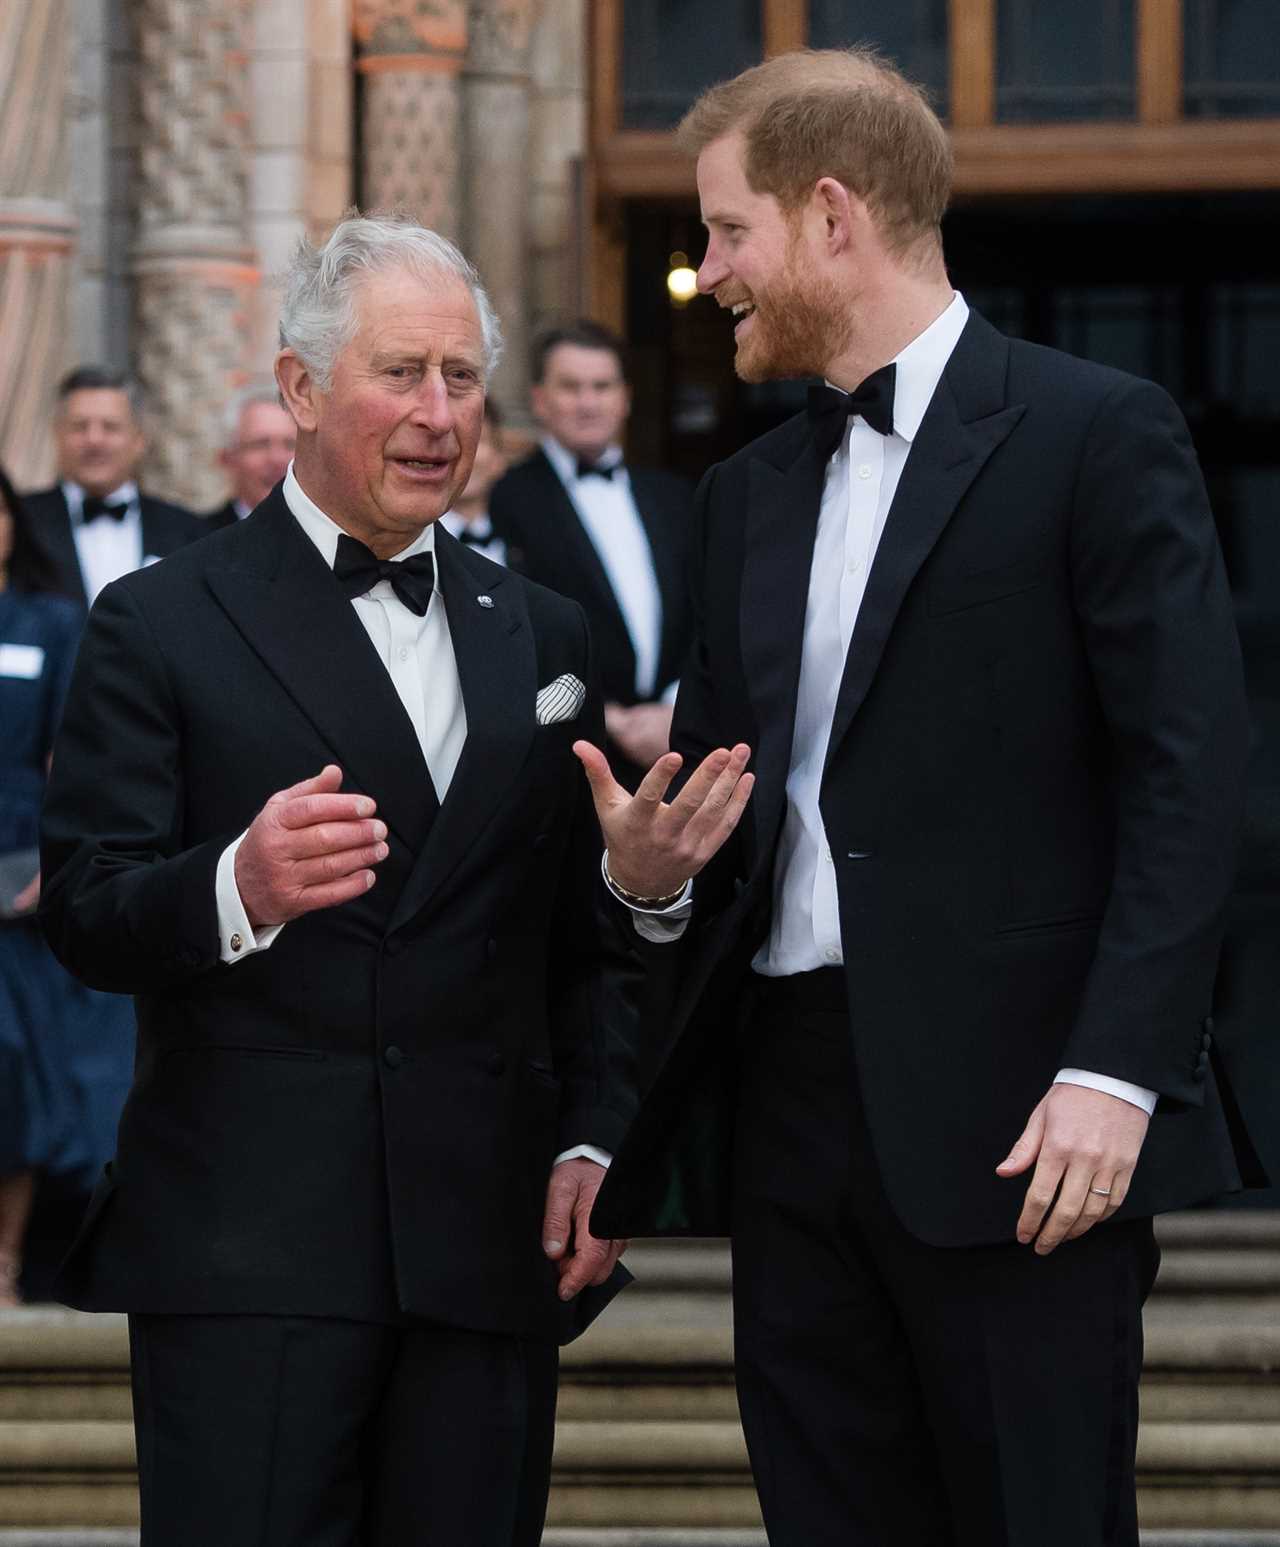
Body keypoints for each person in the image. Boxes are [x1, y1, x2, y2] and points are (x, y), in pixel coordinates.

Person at [581, 48, 1259, 1547]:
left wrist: (1118, 1067)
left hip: (1028, 1121)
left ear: (831, 217)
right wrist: (653, 873)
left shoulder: (1097, 430)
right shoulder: (743, 494)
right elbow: (733, 813)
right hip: (789, 1111)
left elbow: (1190, 775)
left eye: (727, 231)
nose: (707, 271)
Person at [38, 214, 636, 1546]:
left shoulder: (543, 629)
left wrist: (599, 1140)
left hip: (484, 1248)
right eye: (401, 373)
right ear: (301, 390)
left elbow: (578, 945)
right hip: (251, 1256)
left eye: (463, 378)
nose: (438, 415)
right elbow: (85, 903)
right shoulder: (159, 619)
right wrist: (235, 884)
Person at [491, 321, 693, 788]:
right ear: (540, 399)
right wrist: (610, 719)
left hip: (673, 749)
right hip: (562, 758)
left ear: (625, 398)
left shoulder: (673, 497)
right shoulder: (506, 499)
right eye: (571, 387)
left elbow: (706, 613)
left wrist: (676, 707)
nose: (587, 403)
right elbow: (507, 629)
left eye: (601, 387)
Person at [0, 466, 108, 1304]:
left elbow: (73, 758)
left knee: (22, 1078)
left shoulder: (53, 622)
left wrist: (52, 863)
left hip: (20, 886)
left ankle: (4, 1262)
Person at [23, 367, 202, 606]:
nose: (94, 440)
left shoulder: (187, 532)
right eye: (79, 426)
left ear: (139, 439)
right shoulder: (21, 524)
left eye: (110, 426)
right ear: (57, 435)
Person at [205, 383, 298, 527]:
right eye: (261, 444)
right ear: (227, 458)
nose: (277, 459)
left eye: (290, 444)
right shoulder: (200, 543)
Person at [438, 396, 509, 563]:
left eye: (475, 440)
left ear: (499, 460)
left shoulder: (526, 538)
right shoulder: (407, 546)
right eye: (451, 440)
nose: (463, 455)